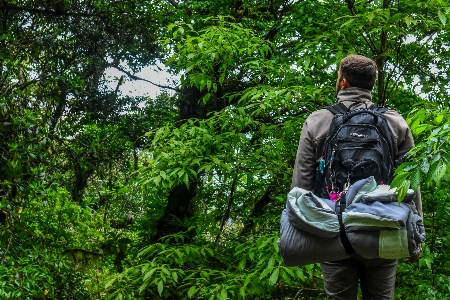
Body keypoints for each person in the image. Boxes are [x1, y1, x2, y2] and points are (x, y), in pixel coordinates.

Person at [291, 54, 422, 300]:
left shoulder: (318, 121)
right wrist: (416, 233)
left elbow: (301, 185)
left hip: (332, 229)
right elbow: (410, 183)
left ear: (343, 83)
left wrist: (299, 236)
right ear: (371, 84)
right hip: (384, 229)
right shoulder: (396, 123)